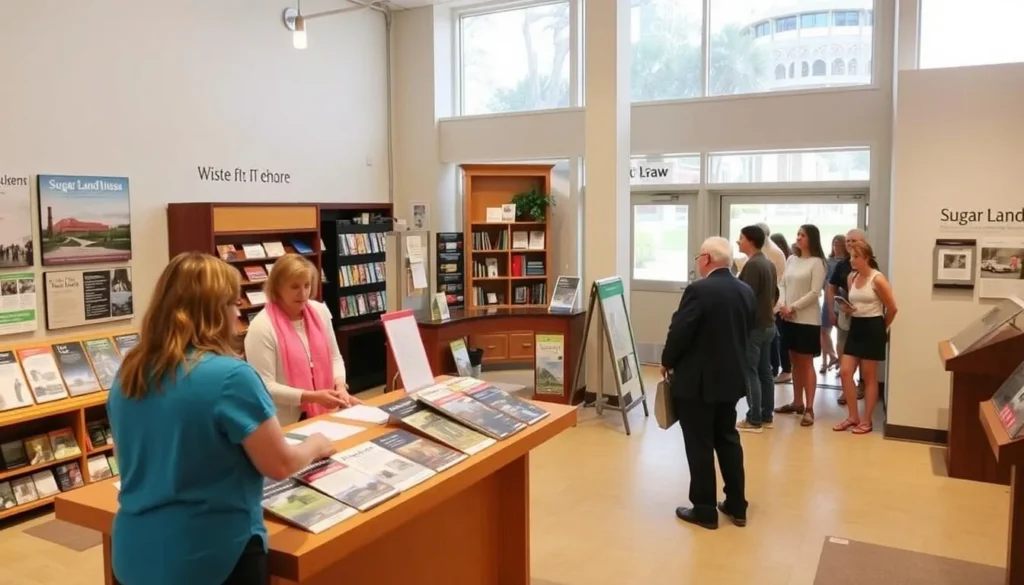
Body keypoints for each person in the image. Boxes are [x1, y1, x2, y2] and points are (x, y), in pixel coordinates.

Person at [107, 252, 337, 585]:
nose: (237, 312)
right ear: (213, 312)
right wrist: (316, 444)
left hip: (134, 553)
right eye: (232, 303)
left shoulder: (130, 372)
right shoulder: (231, 377)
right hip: (212, 556)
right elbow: (280, 464)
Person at [661, 236, 754, 530]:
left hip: (697, 384)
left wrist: (667, 360)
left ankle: (704, 509)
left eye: (698, 258)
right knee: (727, 440)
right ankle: (737, 505)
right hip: (731, 380)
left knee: (699, 444)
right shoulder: (744, 290)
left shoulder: (698, 290)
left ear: (707, 259)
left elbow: (681, 331)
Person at [245, 253, 358, 426]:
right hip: (284, 421)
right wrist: (312, 397)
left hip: (327, 412)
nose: (303, 293)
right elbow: (265, 386)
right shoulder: (261, 327)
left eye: (307, 285)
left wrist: (340, 387)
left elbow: (335, 357)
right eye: (294, 287)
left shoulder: (320, 311)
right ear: (277, 288)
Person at [833, 241, 897, 434]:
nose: (852, 260)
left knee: (869, 377)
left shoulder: (878, 279)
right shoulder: (852, 277)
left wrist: (882, 328)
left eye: (856, 257)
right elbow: (856, 302)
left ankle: (866, 421)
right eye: (851, 256)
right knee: (845, 371)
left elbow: (892, 308)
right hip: (857, 325)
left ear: (866, 258)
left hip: (873, 326)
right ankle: (852, 416)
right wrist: (848, 309)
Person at [774, 224, 827, 427]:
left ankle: (809, 408)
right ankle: (797, 402)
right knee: (794, 360)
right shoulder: (791, 259)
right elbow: (783, 284)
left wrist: (793, 307)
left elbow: (815, 293)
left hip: (807, 320)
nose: (798, 238)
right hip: (789, 317)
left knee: (806, 363)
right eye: (797, 234)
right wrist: (784, 305)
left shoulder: (817, 263)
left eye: (802, 235)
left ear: (812, 239)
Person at [736, 225, 778, 433]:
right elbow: (775, 294)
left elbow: (746, 297)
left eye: (741, 238)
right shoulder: (768, 264)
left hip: (754, 327)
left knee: (750, 371)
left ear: (751, 240)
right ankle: (766, 415)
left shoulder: (752, 265)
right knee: (765, 372)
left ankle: (754, 419)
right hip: (768, 324)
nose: (738, 241)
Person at [826, 229, 867, 406]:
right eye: (848, 241)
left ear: (863, 242)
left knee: (862, 355)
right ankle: (846, 388)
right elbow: (831, 287)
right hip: (844, 316)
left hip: (865, 318)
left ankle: (861, 384)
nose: (849, 244)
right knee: (843, 350)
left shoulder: (871, 264)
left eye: (853, 240)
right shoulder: (842, 265)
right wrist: (831, 310)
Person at [768, 231, 793, 383]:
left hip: (781, 304)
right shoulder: (787, 259)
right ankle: (782, 368)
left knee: (780, 338)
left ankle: (785, 369)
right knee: (779, 338)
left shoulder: (783, 259)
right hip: (781, 303)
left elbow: (782, 283)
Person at [819, 235, 846, 374]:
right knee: (824, 331)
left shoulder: (846, 263)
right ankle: (828, 358)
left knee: (841, 334)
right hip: (828, 300)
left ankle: (840, 363)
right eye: (834, 242)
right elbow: (824, 280)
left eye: (839, 243)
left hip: (842, 300)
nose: (836, 245)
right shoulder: (828, 261)